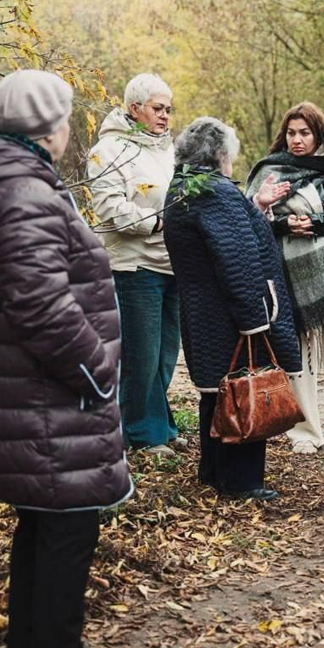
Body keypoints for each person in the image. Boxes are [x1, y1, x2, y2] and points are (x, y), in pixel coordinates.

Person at [0, 70, 133, 648]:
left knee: (43, 531)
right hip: (50, 399)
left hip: (33, 397)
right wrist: (96, 372)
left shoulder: (8, 186)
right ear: (50, 127)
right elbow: (43, 308)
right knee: (65, 542)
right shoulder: (25, 195)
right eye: (67, 116)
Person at [163, 117, 301, 500]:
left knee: (216, 392)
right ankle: (242, 482)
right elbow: (237, 261)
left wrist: (255, 206)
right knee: (243, 388)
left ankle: (213, 472)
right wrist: (256, 322)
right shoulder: (214, 191)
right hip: (229, 315)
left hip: (203, 310)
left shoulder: (183, 188)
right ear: (220, 153)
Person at [245, 102, 324, 459]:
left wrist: (316, 223)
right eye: (291, 133)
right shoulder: (271, 170)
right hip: (284, 268)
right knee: (295, 349)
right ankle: (305, 432)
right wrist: (286, 224)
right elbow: (252, 218)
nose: (297, 140)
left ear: (318, 134)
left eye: (305, 133)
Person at [86, 73, 181, 456]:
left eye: (169, 110)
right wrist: (156, 222)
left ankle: (159, 422)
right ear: (134, 108)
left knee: (166, 351)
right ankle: (143, 433)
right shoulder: (107, 151)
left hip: (172, 262)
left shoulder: (169, 148)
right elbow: (109, 208)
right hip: (134, 264)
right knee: (141, 354)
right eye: (158, 109)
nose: (165, 116)